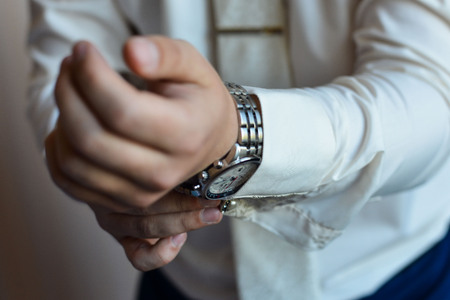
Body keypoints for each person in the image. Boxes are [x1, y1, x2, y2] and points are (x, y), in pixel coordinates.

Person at [28, 0, 450, 299]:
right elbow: (62, 71)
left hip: (403, 278)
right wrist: (99, 160)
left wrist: (241, 135)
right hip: (181, 280)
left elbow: (430, 96)